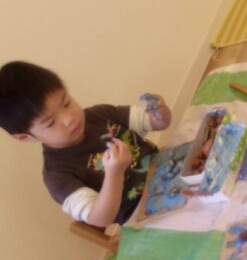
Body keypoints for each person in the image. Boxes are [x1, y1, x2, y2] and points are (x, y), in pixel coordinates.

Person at [0, 61, 171, 227]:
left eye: (66, 103)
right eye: (50, 122)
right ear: (26, 137)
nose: (69, 118)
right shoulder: (57, 175)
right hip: (144, 218)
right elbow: (100, 219)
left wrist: (159, 113)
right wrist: (115, 174)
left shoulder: (100, 114)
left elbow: (158, 123)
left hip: (168, 171)